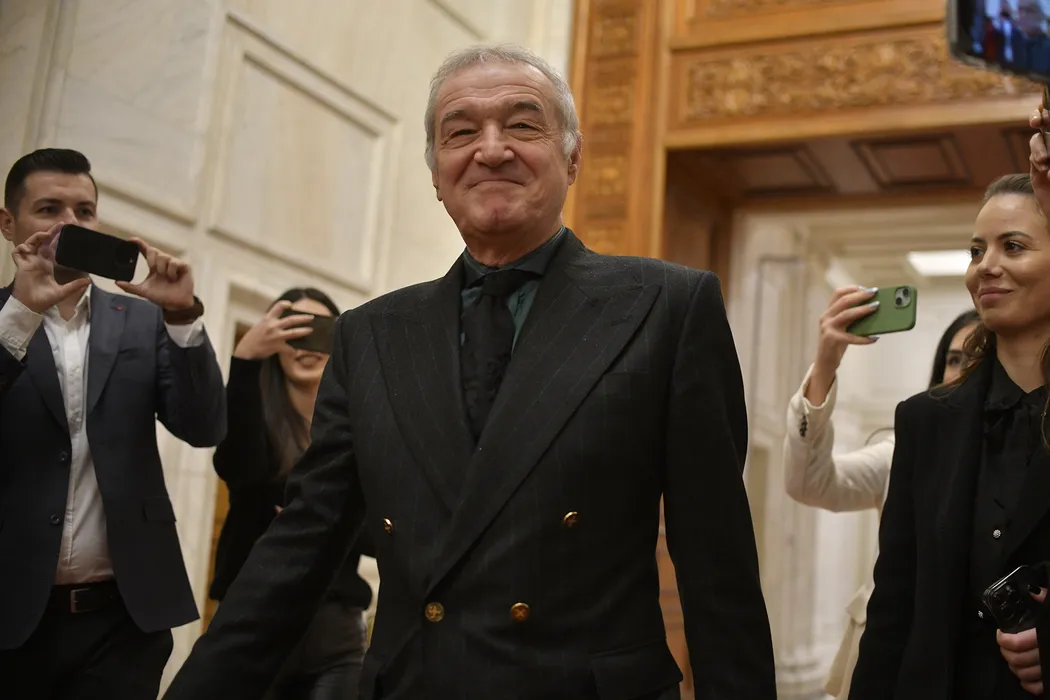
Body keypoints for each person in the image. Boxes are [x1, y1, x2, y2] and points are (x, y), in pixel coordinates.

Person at [163, 44, 775, 700]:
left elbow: (718, 566)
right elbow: (300, 547)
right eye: (460, 132)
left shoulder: (667, 308)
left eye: (522, 124)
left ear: (572, 159)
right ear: (436, 173)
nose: (491, 149)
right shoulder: (371, 335)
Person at [0, 148, 226, 699]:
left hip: (124, 620)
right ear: (8, 224)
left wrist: (181, 317)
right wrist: (21, 316)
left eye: (84, 211)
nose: (70, 223)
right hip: (10, 613)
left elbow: (205, 428)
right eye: (49, 209)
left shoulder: (142, 320)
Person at [849, 152, 1050, 697]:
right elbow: (893, 606)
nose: (985, 266)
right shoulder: (924, 421)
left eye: (1013, 246)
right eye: (976, 251)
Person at [783, 300, 978, 700]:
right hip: (888, 654)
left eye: (977, 359)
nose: (962, 372)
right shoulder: (902, 451)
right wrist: (826, 365)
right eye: (954, 359)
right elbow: (810, 483)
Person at [210, 288, 372, 700]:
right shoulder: (255, 416)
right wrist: (246, 358)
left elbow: (382, 528)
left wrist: (323, 520)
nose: (306, 346)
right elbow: (238, 469)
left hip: (335, 631)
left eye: (319, 331)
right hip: (254, 620)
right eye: (293, 332)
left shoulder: (360, 429)